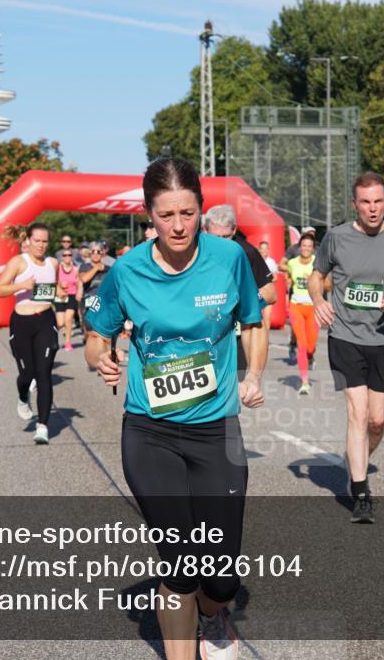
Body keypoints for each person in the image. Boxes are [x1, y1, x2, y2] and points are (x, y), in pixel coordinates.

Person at [85, 157, 266, 660]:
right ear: (150, 215)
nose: (179, 225)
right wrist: (104, 358)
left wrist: (253, 374)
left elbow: (253, 321)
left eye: (188, 212)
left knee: (222, 577)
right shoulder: (127, 270)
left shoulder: (229, 259)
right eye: (167, 215)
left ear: (202, 209)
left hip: (216, 433)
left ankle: (214, 615)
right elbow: (96, 335)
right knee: (180, 564)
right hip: (150, 433)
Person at [308, 171, 384, 523]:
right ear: (355, 204)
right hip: (344, 335)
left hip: (383, 337)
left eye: (378, 201)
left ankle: (356, 458)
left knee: (376, 419)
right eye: (365, 202)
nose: (372, 209)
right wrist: (318, 300)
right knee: (357, 413)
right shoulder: (337, 238)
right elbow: (316, 275)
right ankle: (360, 490)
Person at [0, 223, 65, 445]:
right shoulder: (18, 262)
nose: (41, 245)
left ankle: (43, 426)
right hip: (22, 322)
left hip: (45, 320)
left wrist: (60, 292)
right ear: (29, 240)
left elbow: (54, 290)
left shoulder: (53, 263)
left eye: (45, 241)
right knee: (27, 375)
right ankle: (23, 397)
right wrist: (22, 285)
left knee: (44, 373)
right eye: (37, 241)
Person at [203, 204, 277, 377]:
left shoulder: (246, 252)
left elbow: (270, 293)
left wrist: (245, 298)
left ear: (234, 230)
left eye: (226, 236)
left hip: (235, 336)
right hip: (202, 335)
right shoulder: (194, 250)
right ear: (205, 230)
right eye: (216, 237)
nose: (221, 242)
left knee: (233, 392)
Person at [287, 234, 318, 395]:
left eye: (309, 246)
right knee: (302, 344)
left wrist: (313, 280)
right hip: (296, 306)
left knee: (310, 346)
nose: (306, 249)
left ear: (313, 249)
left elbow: (327, 284)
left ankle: (311, 356)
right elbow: (286, 273)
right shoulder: (292, 263)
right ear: (299, 247)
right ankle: (304, 382)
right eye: (303, 245)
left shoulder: (317, 263)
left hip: (313, 308)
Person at [54, 248, 81, 351]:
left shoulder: (75, 269)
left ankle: (67, 342)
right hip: (60, 296)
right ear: (62, 257)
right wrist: (60, 285)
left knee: (68, 319)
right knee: (60, 323)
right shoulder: (58, 268)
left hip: (71, 296)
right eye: (65, 255)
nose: (67, 257)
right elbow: (53, 281)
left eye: (69, 255)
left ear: (72, 257)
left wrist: (79, 293)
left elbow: (79, 282)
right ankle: (53, 338)